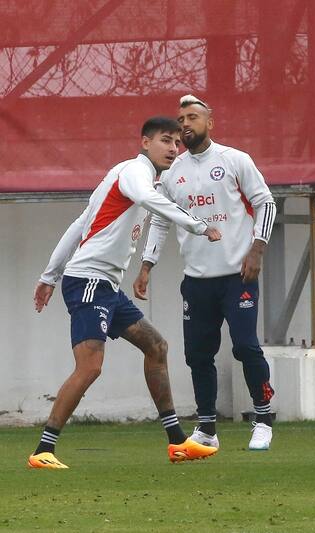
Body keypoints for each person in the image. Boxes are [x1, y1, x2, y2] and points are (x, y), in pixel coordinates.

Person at [28, 117, 221, 469]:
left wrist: (49, 275)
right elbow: (147, 199)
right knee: (90, 367)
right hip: (89, 281)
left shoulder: (126, 176)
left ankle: (178, 442)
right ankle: (44, 449)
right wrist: (198, 225)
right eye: (166, 140)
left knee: (156, 346)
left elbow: (79, 224)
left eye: (177, 143)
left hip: (106, 286)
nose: (173, 149)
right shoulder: (135, 172)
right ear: (145, 142)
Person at [134, 95, 277, 451]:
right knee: (198, 355)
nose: (186, 124)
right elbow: (161, 220)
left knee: (245, 346)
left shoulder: (234, 160)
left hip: (236, 276)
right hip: (196, 281)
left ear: (209, 123)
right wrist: (147, 265)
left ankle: (262, 419)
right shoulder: (172, 172)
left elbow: (265, 203)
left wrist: (257, 249)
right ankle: (207, 428)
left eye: (193, 117)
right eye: (181, 118)